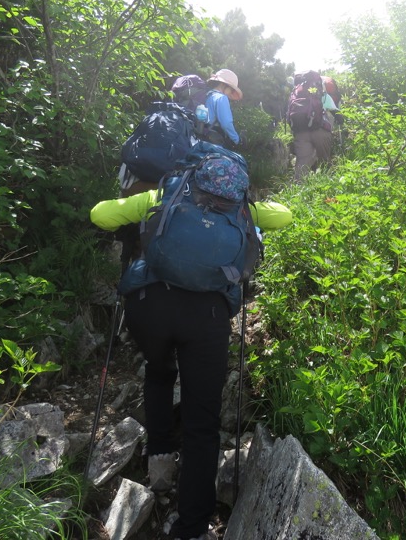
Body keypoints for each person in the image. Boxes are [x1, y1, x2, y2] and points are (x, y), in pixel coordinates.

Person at [90, 191, 292, 540]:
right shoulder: (238, 205)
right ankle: (192, 526)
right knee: (203, 420)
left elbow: (100, 213)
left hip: (149, 304)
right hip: (207, 314)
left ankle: (160, 467)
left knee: (159, 370)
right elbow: (285, 215)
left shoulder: (166, 191)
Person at [290, 81, 340, 181]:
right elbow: (337, 114)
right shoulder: (323, 96)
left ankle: (299, 189)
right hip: (320, 131)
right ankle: (326, 185)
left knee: (302, 164)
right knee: (324, 161)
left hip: (301, 133)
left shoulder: (294, 96)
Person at [205, 69, 243, 148]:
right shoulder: (221, 98)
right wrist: (237, 140)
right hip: (212, 142)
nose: (231, 93)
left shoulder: (208, 95)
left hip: (200, 137)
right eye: (232, 90)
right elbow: (226, 124)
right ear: (224, 85)